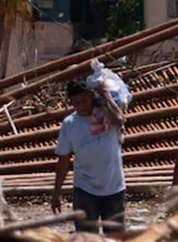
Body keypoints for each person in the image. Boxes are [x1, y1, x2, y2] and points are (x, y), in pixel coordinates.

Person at [52, 78, 127, 232]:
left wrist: (105, 93)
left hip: (114, 188)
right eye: (76, 103)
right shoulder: (70, 124)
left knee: (115, 240)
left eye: (84, 101)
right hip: (84, 190)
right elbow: (63, 161)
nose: (81, 106)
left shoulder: (107, 115)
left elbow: (120, 119)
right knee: (86, 240)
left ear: (92, 96)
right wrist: (56, 193)